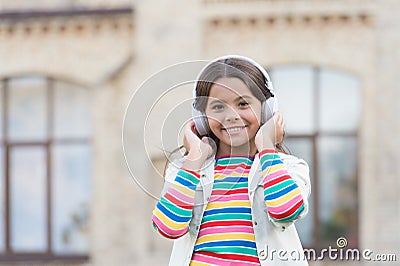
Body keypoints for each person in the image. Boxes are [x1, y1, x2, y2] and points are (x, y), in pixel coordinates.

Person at [152, 55, 311, 265]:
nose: (231, 116)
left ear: (267, 109)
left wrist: (266, 147)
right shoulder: (186, 170)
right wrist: (194, 159)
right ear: (201, 117)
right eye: (218, 107)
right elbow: (168, 227)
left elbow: (285, 211)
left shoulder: (289, 168)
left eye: (243, 103)